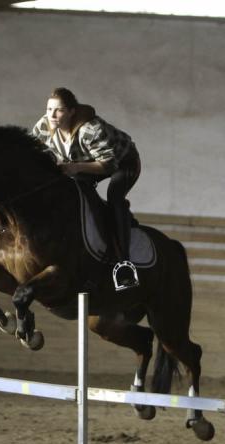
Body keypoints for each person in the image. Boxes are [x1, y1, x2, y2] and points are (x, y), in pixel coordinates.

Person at [31, 87, 142, 291]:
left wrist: (74, 167)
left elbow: (109, 165)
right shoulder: (44, 126)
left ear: (72, 112)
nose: (52, 115)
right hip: (86, 163)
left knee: (115, 198)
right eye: (49, 109)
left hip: (123, 162)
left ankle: (124, 265)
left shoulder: (90, 130)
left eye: (59, 110)